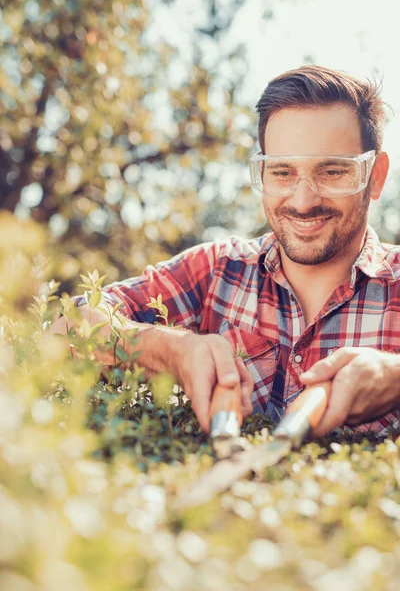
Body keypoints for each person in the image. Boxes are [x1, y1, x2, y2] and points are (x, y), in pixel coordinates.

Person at [51, 65, 400, 438]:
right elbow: (65, 328)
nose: (303, 200)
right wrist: (173, 352)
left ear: (375, 176)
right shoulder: (217, 270)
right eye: (282, 172)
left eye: (332, 172)